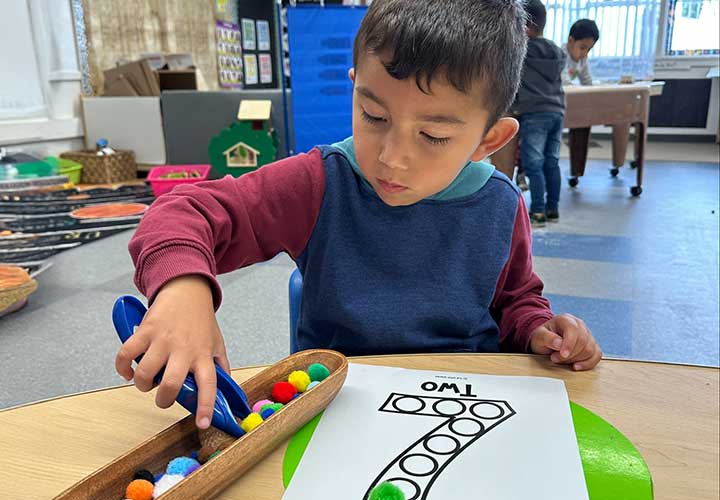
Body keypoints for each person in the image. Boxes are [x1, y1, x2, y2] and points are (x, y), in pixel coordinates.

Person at [116, 0, 603, 429]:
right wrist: (183, 290)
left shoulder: (500, 203)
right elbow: (181, 211)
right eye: (374, 116)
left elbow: (515, 299)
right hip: (338, 403)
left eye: (433, 137)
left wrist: (539, 330)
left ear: (487, 140)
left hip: (466, 404)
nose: (392, 158)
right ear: (355, 89)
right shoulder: (319, 183)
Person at [511, 0, 566, 226]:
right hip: (557, 112)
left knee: (534, 164)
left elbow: (513, 84)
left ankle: (538, 212)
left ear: (525, 26)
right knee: (551, 162)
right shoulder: (556, 51)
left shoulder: (522, 51)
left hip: (534, 114)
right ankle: (553, 209)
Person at [562, 19, 600, 86]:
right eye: (582, 48)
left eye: (589, 49)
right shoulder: (560, 56)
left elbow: (587, 81)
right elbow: (565, 83)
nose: (585, 53)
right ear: (570, 41)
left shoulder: (582, 59)